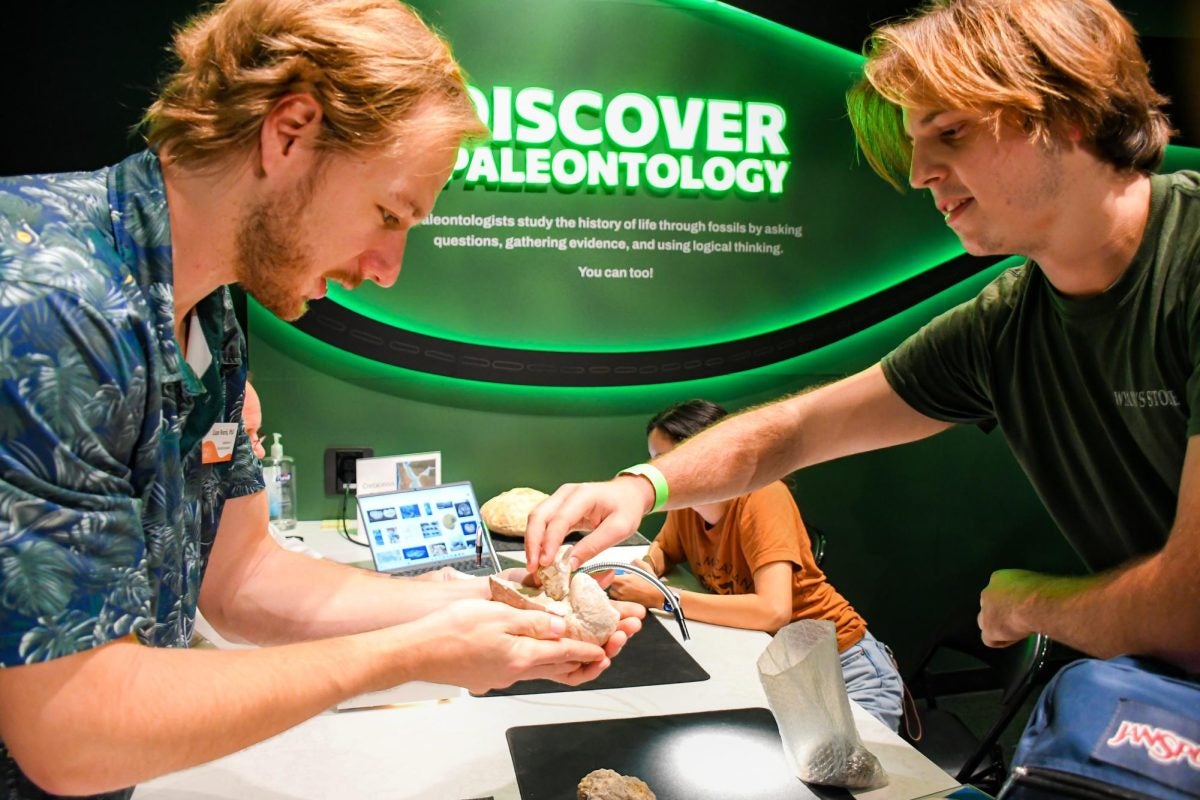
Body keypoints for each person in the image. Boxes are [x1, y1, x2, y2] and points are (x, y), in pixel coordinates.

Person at [0, 1, 640, 797]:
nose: (387, 267)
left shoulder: (213, 316)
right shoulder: (53, 302)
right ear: (290, 132)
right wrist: (410, 655)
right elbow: (69, 727)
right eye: (387, 214)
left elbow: (239, 579)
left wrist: (490, 602)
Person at [527, 0, 1200, 675]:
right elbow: (794, 430)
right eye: (916, 143)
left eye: (953, 132)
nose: (919, 174)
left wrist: (1029, 604)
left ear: (1068, 112)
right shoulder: (1003, 326)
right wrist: (643, 485)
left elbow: (1187, 611)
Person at [609, 400, 905, 730]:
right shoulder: (689, 505)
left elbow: (772, 610)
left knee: (851, 778)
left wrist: (660, 597)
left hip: (845, 667)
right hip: (782, 665)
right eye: (654, 461)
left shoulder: (762, 496)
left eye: (667, 462)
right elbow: (665, 548)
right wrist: (647, 567)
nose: (659, 474)